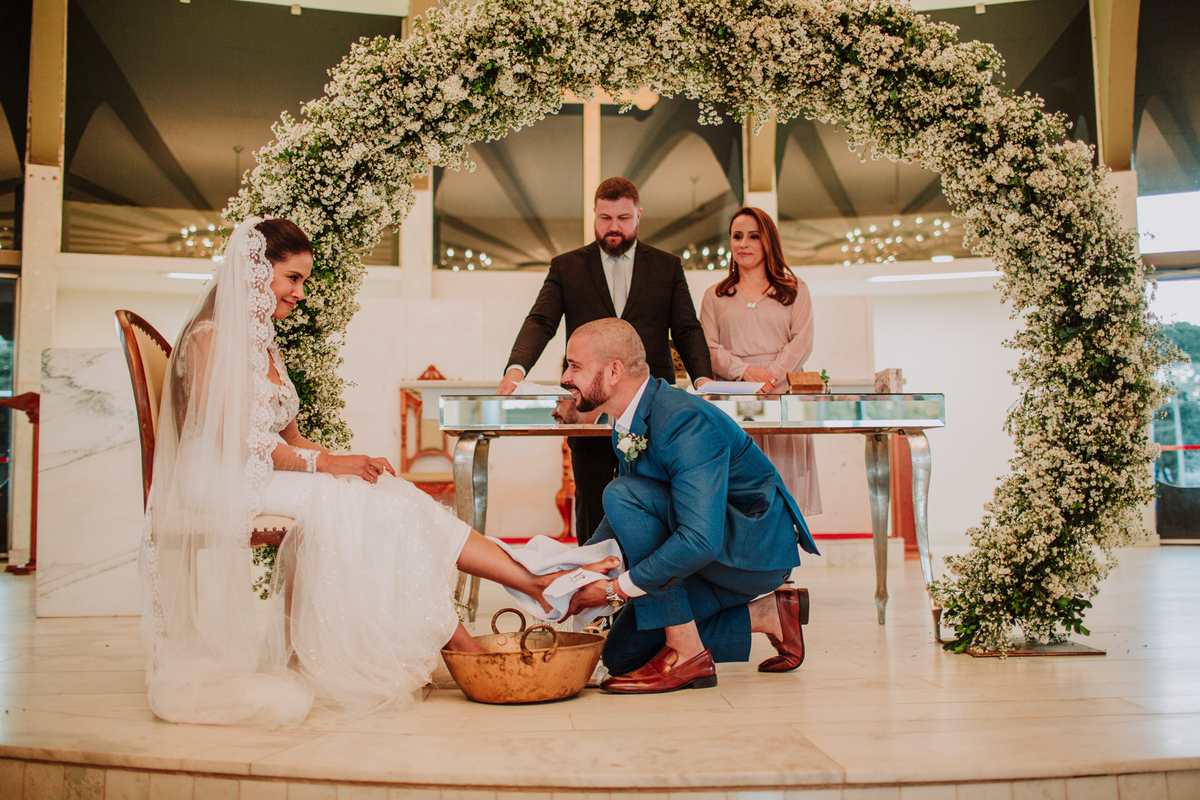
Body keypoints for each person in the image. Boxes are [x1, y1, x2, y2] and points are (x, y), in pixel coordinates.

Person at [140, 217, 616, 727]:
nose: (300, 292)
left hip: (263, 472)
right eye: (292, 278)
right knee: (357, 501)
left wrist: (346, 463)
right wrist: (330, 467)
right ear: (256, 273)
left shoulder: (265, 343)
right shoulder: (209, 339)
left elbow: (292, 440)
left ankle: (526, 592)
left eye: (303, 280)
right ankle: (474, 630)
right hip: (220, 480)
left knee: (392, 492)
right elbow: (239, 445)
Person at [562, 319, 820, 694]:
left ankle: (687, 653)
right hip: (702, 549)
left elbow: (699, 539)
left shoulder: (684, 420)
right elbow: (631, 515)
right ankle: (767, 615)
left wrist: (616, 589)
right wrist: (577, 572)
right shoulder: (625, 420)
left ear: (614, 371)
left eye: (574, 365)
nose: (566, 378)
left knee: (620, 492)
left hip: (749, 550)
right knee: (623, 656)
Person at [497, 177, 713, 541]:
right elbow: (541, 320)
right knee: (592, 498)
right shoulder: (567, 267)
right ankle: (590, 580)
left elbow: (687, 328)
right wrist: (515, 370)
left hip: (652, 407)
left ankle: (647, 582)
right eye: (605, 218)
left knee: (655, 498)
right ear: (594, 215)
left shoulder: (667, 266)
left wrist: (704, 381)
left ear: (638, 216)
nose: (614, 227)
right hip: (589, 406)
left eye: (623, 218)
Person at [700, 208, 822, 514]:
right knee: (738, 487)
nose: (744, 243)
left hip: (781, 394)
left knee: (784, 485)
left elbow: (802, 341)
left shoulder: (796, 289)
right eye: (737, 236)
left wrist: (771, 377)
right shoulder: (714, 296)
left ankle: (784, 556)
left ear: (768, 241)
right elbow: (709, 348)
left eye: (754, 236)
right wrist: (745, 373)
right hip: (734, 397)